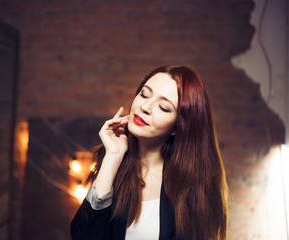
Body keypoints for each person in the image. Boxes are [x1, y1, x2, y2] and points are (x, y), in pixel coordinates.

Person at [70, 65, 228, 240]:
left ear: (177, 126)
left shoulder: (192, 183)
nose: (145, 106)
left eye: (163, 107)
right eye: (144, 94)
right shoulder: (112, 163)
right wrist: (112, 158)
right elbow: (82, 236)